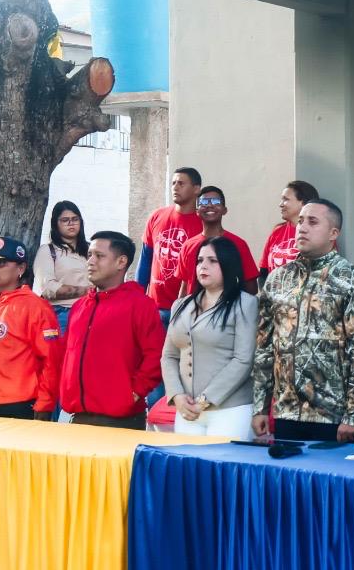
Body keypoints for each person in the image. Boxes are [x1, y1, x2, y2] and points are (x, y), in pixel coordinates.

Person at [253, 198, 354, 443]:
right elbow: (264, 347)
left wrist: (353, 415)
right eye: (300, 221)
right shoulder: (278, 279)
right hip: (286, 411)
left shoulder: (351, 279)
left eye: (312, 222)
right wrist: (260, 407)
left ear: (333, 233)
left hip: (333, 415)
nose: (302, 228)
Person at [61, 231, 166, 429]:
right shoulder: (80, 307)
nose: (90, 261)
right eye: (89, 255)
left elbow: (156, 355)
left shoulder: (140, 305)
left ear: (121, 262)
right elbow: (65, 354)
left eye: (99, 256)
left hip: (121, 420)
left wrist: (134, 392)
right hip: (78, 416)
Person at [161, 236, 259, 437]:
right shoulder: (180, 305)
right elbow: (169, 356)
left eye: (213, 261)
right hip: (187, 409)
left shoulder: (245, 304)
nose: (203, 266)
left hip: (230, 410)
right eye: (200, 260)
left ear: (228, 265)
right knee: (187, 458)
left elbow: (243, 360)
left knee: (223, 458)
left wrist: (205, 400)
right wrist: (177, 395)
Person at [0, 237, 61, 420]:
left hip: (18, 405)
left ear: (20, 268)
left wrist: (45, 404)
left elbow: (51, 360)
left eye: (1, 263)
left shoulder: (36, 307)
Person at [138, 166, 203, 318]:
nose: (175, 187)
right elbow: (146, 259)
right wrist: (138, 297)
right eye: (173, 183)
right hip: (154, 307)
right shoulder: (157, 216)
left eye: (181, 183)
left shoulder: (203, 224)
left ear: (196, 189)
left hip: (186, 309)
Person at [176, 185, 259, 298]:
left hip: (228, 307)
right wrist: (180, 308)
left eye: (216, 201)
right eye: (204, 202)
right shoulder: (188, 246)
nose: (210, 205)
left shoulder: (238, 244)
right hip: (195, 308)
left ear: (224, 210)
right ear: (197, 211)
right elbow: (185, 287)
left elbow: (251, 288)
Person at [34, 201, 90, 334]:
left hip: (92, 310)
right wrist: (86, 290)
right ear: (55, 224)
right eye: (65, 220)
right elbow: (48, 288)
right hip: (63, 313)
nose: (71, 223)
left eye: (75, 219)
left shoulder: (91, 249)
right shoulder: (48, 250)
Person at [260, 179, 320, 280]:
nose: (281, 204)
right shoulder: (277, 232)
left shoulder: (319, 233)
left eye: (286, 199)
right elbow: (263, 272)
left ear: (303, 203)